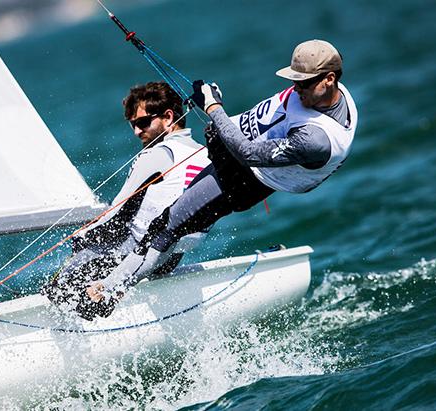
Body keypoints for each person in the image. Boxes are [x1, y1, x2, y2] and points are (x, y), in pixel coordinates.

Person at [87, 39, 359, 308]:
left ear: (329, 79)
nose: (296, 88)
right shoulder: (322, 93)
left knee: (165, 227)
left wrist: (214, 107)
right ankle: (152, 269)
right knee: (173, 222)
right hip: (230, 154)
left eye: (303, 83)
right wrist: (214, 108)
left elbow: (249, 153)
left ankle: (108, 291)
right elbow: (263, 122)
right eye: (294, 80)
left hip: (242, 180)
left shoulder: (318, 139)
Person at [42, 81, 211, 320]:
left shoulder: (158, 153)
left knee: (72, 267)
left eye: (142, 123)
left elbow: (116, 212)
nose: (136, 132)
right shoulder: (205, 154)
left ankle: (69, 314)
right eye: (132, 125)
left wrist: (80, 238)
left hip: (137, 252)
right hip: (171, 256)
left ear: (168, 117)